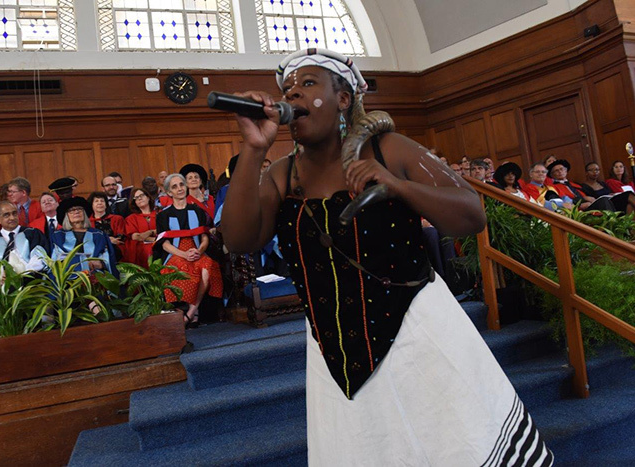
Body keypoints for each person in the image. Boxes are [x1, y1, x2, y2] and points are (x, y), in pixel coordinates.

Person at [221, 48, 551, 465]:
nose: (294, 94)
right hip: (333, 350)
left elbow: (471, 215)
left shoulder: (389, 149)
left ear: (343, 99)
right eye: (288, 88)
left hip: (417, 332)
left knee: (450, 442)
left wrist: (397, 186)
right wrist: (253, 149)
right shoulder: (281, 174)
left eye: (308, 83)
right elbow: (238, 239)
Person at [154, 174, 222, 326]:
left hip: (197, 249)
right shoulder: (163, 215)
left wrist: (199, 250)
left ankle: (191, 312)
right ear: (169, 192)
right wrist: (184, 254)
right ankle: (192, 313)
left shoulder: (197, 211)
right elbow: (164, 244)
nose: (179, 189)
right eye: (174, 187)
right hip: (176, 253)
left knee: (207, 267)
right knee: (182, 267)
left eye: (181, 185)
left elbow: (205, 237)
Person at [0, 201, 49, 283]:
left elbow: (40, 258)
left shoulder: (32, 233)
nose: (12, 218)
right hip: (0, 285)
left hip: (29, 282)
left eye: (14, 213)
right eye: (6, 215)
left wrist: (19, 274)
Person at [50, 197, 118, 277]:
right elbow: (55, 258)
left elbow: (107, 254)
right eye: (71, 210)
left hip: (95, 277)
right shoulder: (58, 236)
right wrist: (83, 263)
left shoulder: (98, 234)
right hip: (67, 278)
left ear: (84, 213)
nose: (76, 212)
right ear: (66, 216)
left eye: (79, 209)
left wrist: (101, 263)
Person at [88, 191, 126, 261]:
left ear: (106, 204)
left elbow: (121, 237)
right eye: (96, 201)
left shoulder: (117, 219)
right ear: (92, 205)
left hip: (116, 252)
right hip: (95, 254)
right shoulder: (88, 222)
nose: (99, 203)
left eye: (102, 201)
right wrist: (108, 239)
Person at [124, 187, 157, 267]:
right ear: (134, 202)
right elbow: (136, 237)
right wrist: (153, 234)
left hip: (159, 249)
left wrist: (146, 234)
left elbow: (164, 232)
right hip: (141, 253)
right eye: (136, 198)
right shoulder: (131, 218)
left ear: (148, 197)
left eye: (142, 195)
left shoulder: (159, 215)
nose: (139, 198)